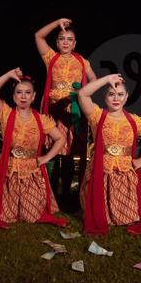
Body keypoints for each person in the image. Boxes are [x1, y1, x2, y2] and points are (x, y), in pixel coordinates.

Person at [0, 68, 67, 228]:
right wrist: (7, 75)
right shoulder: (6, 114)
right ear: (14, 97)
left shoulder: (41, 120)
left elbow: (60, 138)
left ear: (33, 96)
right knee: (5, 215)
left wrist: (46, 158)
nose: (23, 96)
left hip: (31, 170)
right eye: (19, 92)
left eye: (27, 92)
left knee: (32, 216)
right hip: (9, 169)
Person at [78, 73, 141, 235]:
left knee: (128, 215)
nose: (116, 98)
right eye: (111, 94)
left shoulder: (134, 120)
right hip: (100, 171)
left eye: (120, 94)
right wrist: (107, 79)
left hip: (124, 171)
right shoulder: (96, 115)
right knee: (96, 210)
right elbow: (82, 94)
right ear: (105, 97)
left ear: (127, 97)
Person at [34, 17, 96, 202]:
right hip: (53, 110)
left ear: (75, 43)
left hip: (72, 111)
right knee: (52, 148)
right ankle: (50, 192)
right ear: (57, 42)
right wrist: (57, 23)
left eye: (70, 39)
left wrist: (82, 91)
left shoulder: (82, 61)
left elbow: (93, 80)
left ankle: (67, 195)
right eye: (62, 38)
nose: (66, 42)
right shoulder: (51, 58)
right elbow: (38, 36)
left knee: (69, 152)